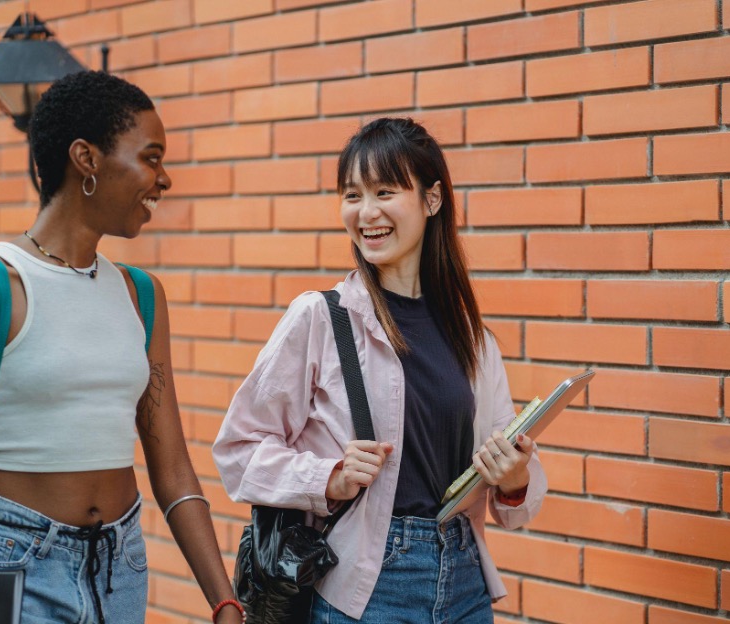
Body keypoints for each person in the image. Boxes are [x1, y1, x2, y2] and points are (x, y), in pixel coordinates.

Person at [0, 71, 244, 624]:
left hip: (119, 569)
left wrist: (223, 599)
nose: (165, 180)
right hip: (6, 564)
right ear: (87, 158)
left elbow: (174, 471)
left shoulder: (142, 297)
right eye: (151, 158)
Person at [213, 117, 547, 623]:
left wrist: (515, 476)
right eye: (352, 195)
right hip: (368, 586)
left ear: (432, 200)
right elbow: (237, 451)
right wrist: (329, 477)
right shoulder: (321, 318)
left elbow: (515, 506)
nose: (366, 213)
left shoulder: (473, 339)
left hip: (464, 581)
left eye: (385, 191)